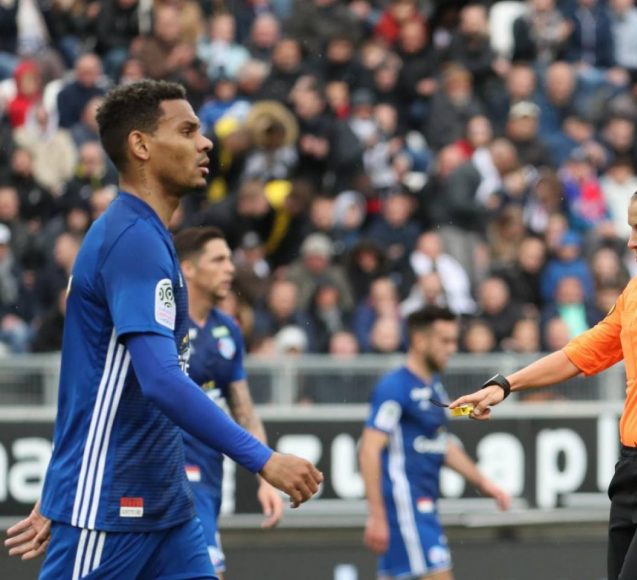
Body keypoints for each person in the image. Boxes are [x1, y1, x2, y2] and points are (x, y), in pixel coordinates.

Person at [450, 9, 637, 579]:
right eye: (630, 228)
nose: (631, 240)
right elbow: (577, 354)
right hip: (633, 473)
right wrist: (504, 384)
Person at [4, 81, 323, 578]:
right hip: (112, 504)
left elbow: (99, 375)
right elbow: (160, 380)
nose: (206, 142)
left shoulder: (150, 235)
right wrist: (263, 459)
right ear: (141, 146)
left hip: (166, 504)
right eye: (188, 129)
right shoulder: (132, 239)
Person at [359, 305, 511, 580]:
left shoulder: (434, 387)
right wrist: (377, 515)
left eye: (454, 340)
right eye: (445, 341)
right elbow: (369, 448)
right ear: (419, 341)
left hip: (423, 508)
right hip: (404, 510)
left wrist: (484, 484)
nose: (452, 348)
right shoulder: (394, 387)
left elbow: (443, 444)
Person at [174, 226, 285, 578]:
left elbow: (245, 411)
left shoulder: (228, 330)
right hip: (167, 472)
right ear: (188, 268)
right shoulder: (163, 323)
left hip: (208, 476)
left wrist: (266, 476)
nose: (230, 269)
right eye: (218, 260)